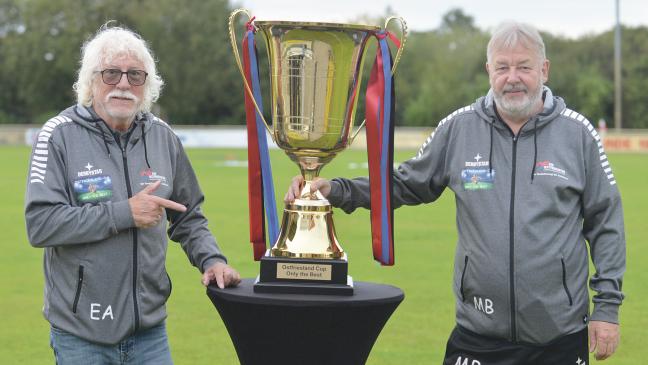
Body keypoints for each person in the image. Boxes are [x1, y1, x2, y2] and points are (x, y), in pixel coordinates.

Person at [286, 22, 625, 363]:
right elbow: (404, 182)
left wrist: (607, 309)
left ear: (544, 70)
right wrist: (336, 190)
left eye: (524, 67)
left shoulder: (578, 135)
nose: (513, 77)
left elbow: (606, 223)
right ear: (488, 70)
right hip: (479, 335)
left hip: (559, 338)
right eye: (503, 67)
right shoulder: (459, 128)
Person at [25, 25, 240, 364]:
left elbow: (189, 214)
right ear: (92, 80)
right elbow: (40, 224)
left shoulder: (163, 137)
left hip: (149, 332)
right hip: (82, 335)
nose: (123, 84)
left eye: (135, 76)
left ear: (147, 86)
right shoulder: (58, 136)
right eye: (111, 73)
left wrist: (211, 259)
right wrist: (125, 212)